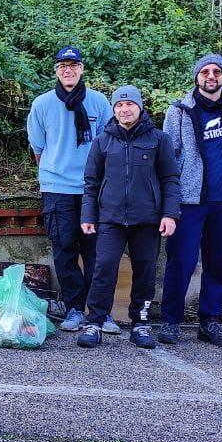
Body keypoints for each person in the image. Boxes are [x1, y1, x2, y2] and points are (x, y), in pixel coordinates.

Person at [78, 86, 179, 348]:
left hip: (147, 220)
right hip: (110, 219)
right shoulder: (102, 141)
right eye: (119, 106)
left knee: (145, 272)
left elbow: (170, 180)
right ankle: (95, 322)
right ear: (113, 110)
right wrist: (88, 215)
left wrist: (170, 214)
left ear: (140, 107)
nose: (125, 110)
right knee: (104, 269)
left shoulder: (159, 139)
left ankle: (141, 323)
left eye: (130, 105)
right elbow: (91, 181)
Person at [158, 54, 222, 348]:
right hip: (189, 200)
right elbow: (167, 159)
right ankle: (171, 320)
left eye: (217, 71)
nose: (211, 76)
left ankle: (210, 321)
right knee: (181, 262)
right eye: (205, 71)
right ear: (196, 77)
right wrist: (169, 201)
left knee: (217, 263)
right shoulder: (179, 111)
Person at [26, 46, 115, 334]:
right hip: (57, 187)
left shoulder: (99, 102)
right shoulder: (42, 104)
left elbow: (106, 146)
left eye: (73, 65)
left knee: (95, 252)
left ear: (82, 69)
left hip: (92, 188)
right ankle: (74, 307)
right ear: (55, 70)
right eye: (62, 66)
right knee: (64, 249)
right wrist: (55, 170)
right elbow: (38, 149)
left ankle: (99, 311)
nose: (68, 70)